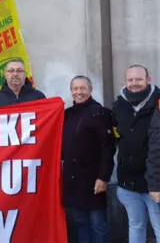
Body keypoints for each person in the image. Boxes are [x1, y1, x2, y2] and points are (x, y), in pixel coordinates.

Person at [62, 75, 115, 243]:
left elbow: (108, 148)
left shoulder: (101, 113)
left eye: (83, 88)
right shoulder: (66, 115)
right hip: (72, 180)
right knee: (80, 223)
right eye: (75, 89)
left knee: (97, 224)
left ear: (90, 90)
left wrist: (104, 177)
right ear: (71, 92)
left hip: (93, 179)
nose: (79, 92)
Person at [113, 65, 160, 242]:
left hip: (155, 184)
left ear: (148, 80)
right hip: (128, 184)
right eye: (130, 80)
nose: (134, 83)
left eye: (139, 79)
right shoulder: (118, 105)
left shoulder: (159, 103)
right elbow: (117, 137)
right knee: (136, 225)